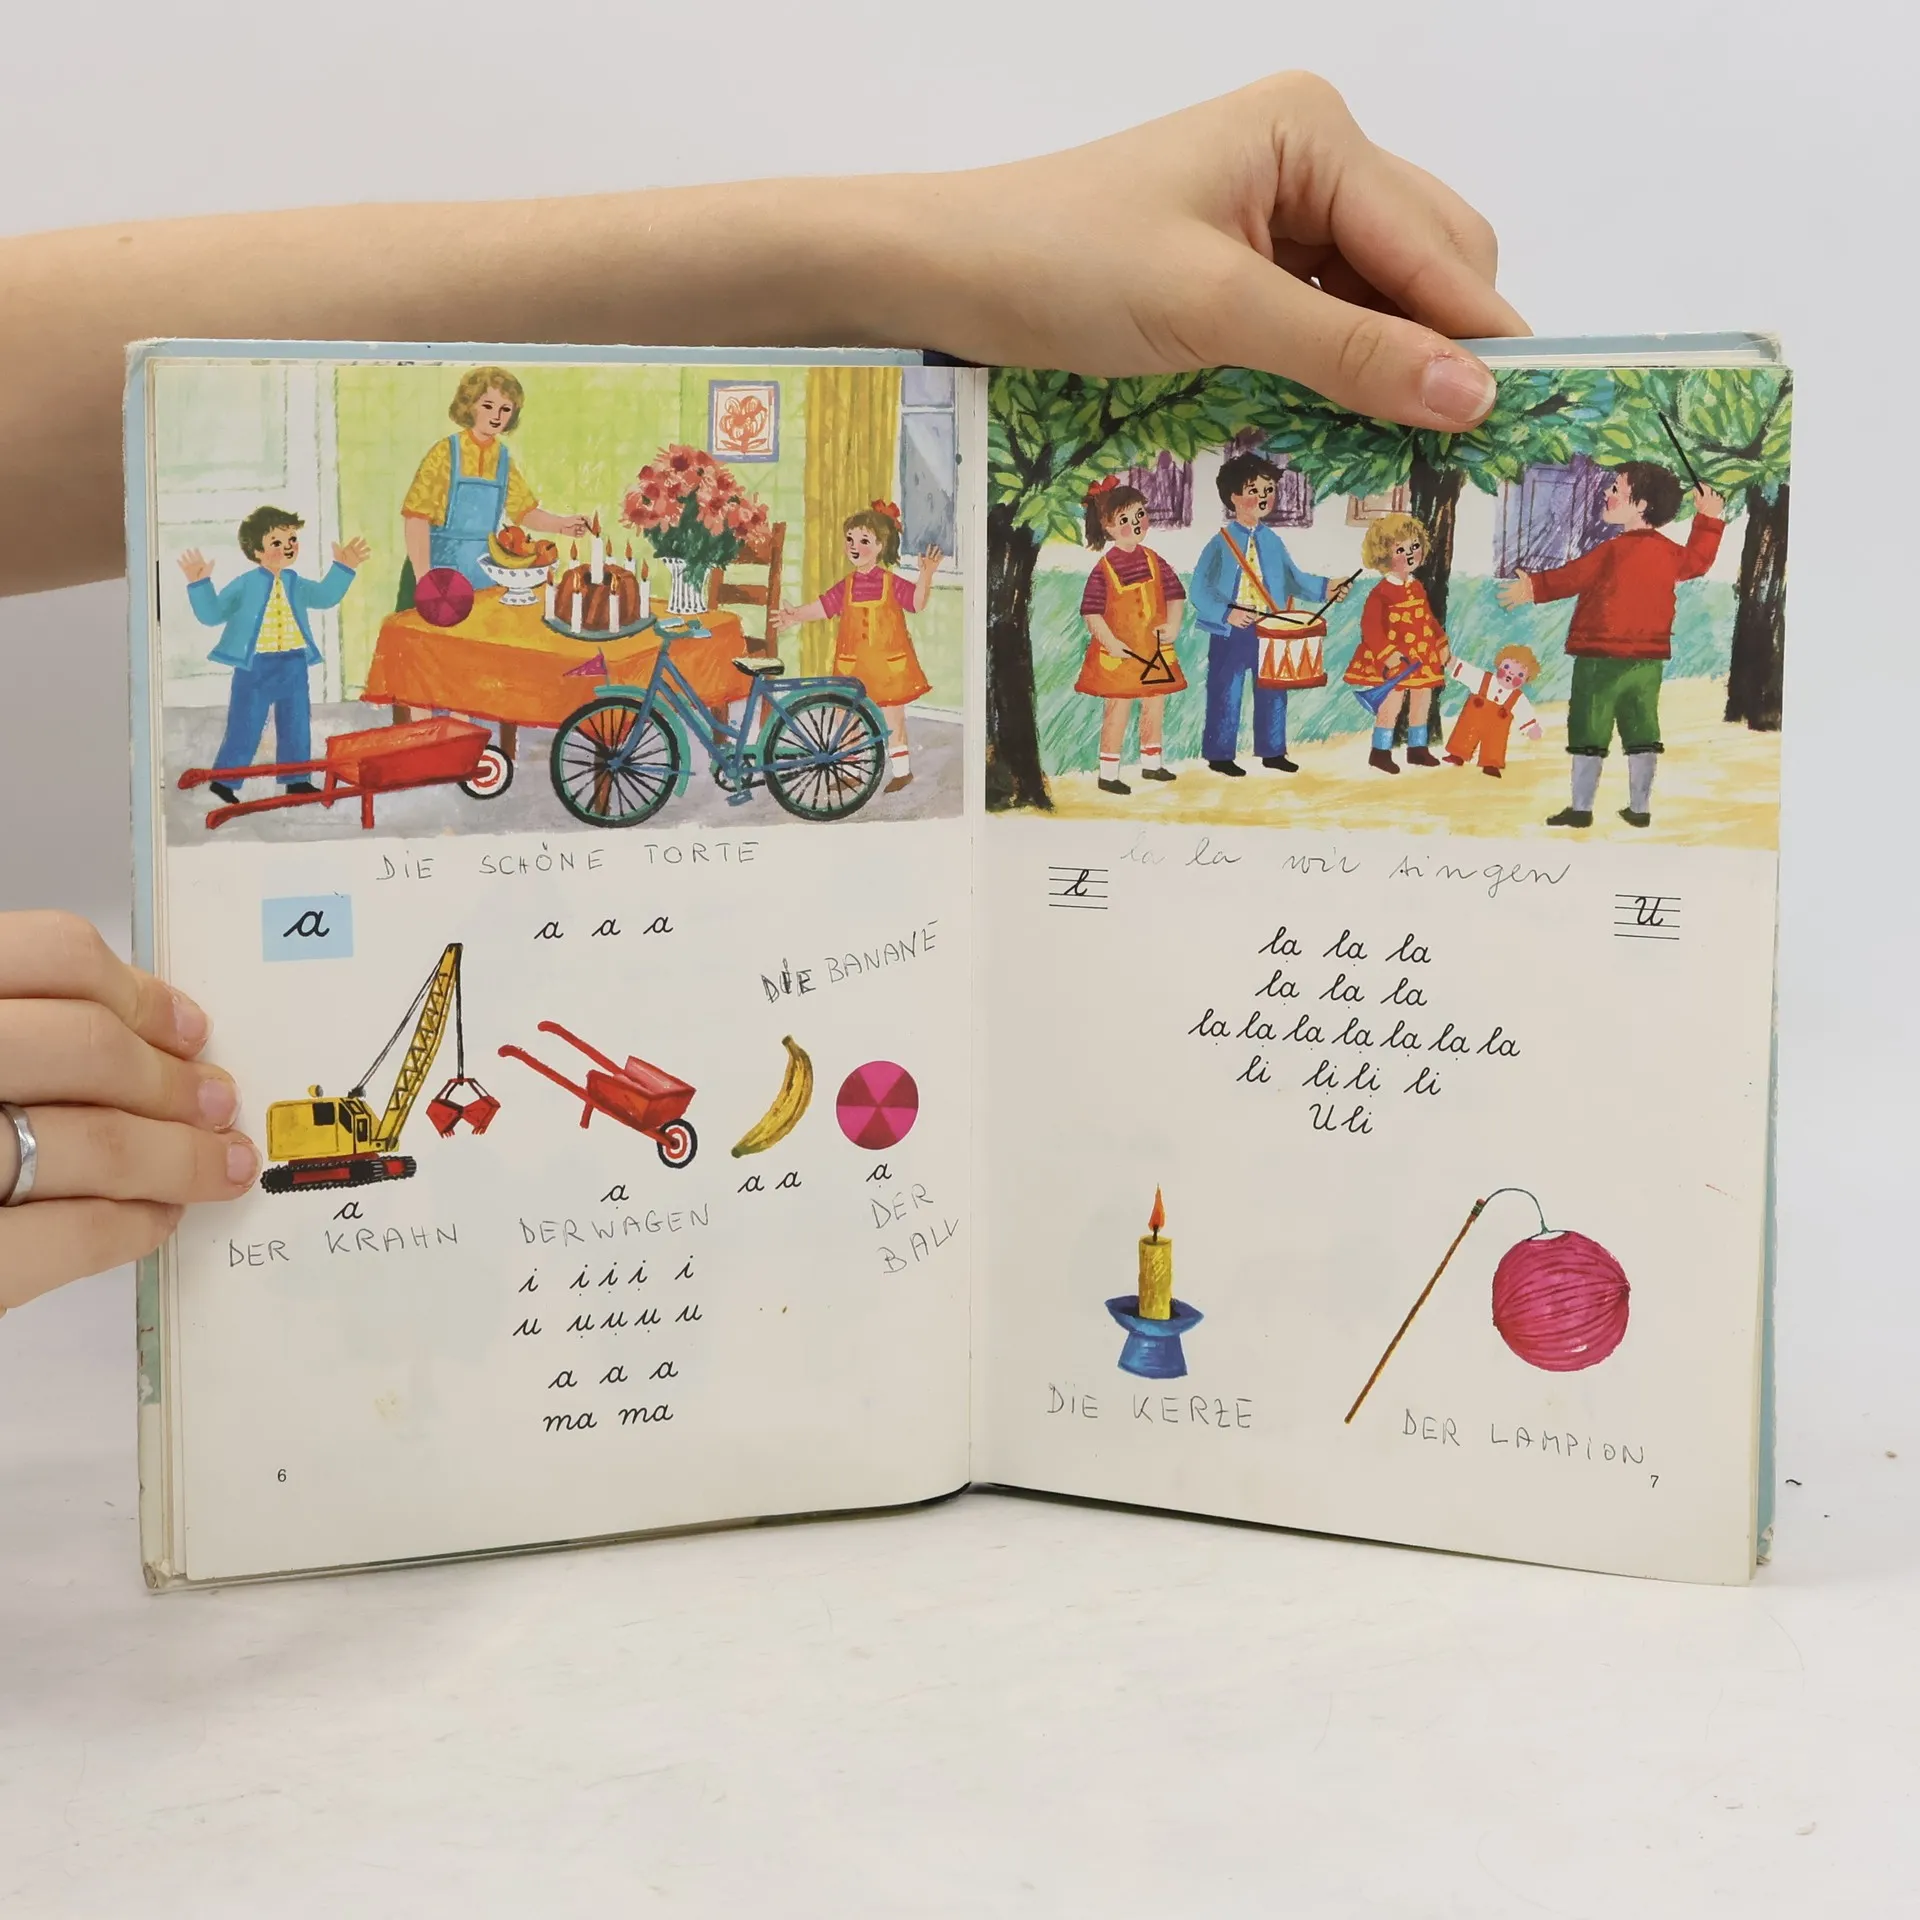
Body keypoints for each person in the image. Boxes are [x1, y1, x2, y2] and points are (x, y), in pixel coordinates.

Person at [0, 70, 1526, 1312]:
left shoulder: (533, 471)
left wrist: (897, 257)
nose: (492, 420)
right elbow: (400, 527)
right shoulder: (434, 482)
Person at [1497, 463, 1724, 828]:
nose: (1607, 493)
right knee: (1642, 730)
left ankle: (1582, 809)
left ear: (1641, 505)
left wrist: (1533, 588)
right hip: (1647, 660)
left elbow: (1572, 577)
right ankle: (1640, 809)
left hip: (1598, 656)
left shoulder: (1613, 551)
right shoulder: (1668, 553)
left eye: (1616, 489)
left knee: (1589, 730)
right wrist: (1709, 518)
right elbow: (1697, 562)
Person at [182, 508, 370, 805]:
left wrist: (344, 568)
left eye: (292, 539)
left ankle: (296, 780)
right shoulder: (246, 583)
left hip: (293, 662)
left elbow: (325, 597)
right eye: (277, 543)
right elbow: (212, 615)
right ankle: (225, 780)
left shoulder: (295, 581)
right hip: (255, 666)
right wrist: (199, 584)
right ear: (257, 551)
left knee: (296, 722)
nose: (288, 547)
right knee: (245, 724)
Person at [1188, 452, 1352, 776]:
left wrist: (1327, 587)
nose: (1263, 497)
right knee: (1225, 691)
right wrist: (1226, 614)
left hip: (1270, 627)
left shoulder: (1272, 541)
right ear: (1233, 497)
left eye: (1268, 490)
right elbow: (1199, 590)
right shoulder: (1220, 543)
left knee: (1274, 690)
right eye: (1254, 490)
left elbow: (1294, 579)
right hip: (1230, 631)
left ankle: (1273, 751)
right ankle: (1220, 755)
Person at [776, 504, 939, 793]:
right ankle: (850, 772)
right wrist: (796, 615)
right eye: (850, 539)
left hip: (888, 666)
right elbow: (823, 606)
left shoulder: (890, 582)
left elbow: (916, 603)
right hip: (853, 666)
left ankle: (902, 772)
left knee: (893, 720)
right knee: (845, 718)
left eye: (864, 541)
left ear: (880, 547)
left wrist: (926, 575)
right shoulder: (847, 585)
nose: (854, 546)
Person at [398, 366, 590, 605]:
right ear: (469, 405)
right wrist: (424, 579)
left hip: (482, 578)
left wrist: (561, 525)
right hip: (434, 573)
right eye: (488, 406)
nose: (496, 416)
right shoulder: (445, 452)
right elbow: (416, 518)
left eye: (505, 409)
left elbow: (523, 511)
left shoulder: (502, 459)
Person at [1075, 479, 1188, 794]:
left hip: (1154, 650)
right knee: (1118, 709)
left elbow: (1176, 595)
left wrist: (1173, 625)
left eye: (1139, 514)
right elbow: (1091, 613)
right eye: (1124, 519)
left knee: (1154, 706)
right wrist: (1110, 642)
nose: (1135, 523)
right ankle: (1109, 773)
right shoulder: (1103, 569)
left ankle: (1151, 764)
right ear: (1108, 527)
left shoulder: (1154, 559)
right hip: (1120, 653)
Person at [1346, 511, 1449, 774]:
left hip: (1422, 657)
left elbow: (1428, 619)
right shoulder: (1381, 592)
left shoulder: (1417, 587)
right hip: (1396, 660)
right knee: (1390, 704)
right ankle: (1380, 753)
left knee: (1422, 700)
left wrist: (1441, 643)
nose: (1411, 554)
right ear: (1384, 555)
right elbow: (1370, 628)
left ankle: (1417, 749)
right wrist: (1387, 654)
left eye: (1414, 546)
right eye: (1400, 549)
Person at [1441, 643, 1544, 777]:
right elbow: (1465, 671)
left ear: (1526, 680)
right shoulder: (1483, 679)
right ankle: (1457, 755)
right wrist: (1450, 661)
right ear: (1499, 664)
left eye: (1519, 674)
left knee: (1495, 744)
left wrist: (1531, 727)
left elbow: (1524, 712)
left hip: (1496, 728)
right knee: (1464, 734)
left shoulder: (1518, 698)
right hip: (1472, 720)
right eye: (1507, 667)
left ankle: (1491, 764)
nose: (1510, 674)